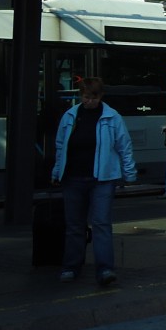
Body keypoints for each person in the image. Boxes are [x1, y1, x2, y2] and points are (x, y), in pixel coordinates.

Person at [50, 77, 137, 287]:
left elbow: (124, 146)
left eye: (92, 97)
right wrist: (56, 171)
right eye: (85, 97)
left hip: (102, 179)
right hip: (73, 178)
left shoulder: (112, 117)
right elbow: (60, 146)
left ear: (101, 96)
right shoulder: (70, 115)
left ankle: (105, 269)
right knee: (74, 226)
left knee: (101, 225)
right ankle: (71, 266)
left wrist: (129, 173)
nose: (88, 101)